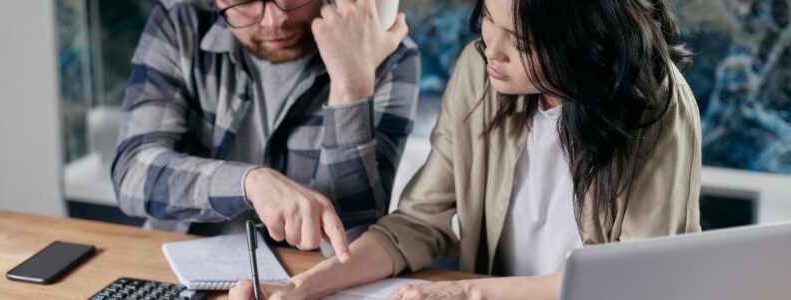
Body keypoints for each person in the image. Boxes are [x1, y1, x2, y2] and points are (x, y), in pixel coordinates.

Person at [229, 0, 702, 298]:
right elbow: (417, 222)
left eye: (517, 41)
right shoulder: (479, 71)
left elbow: (639, 279)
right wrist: (302, 288)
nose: (491, 49)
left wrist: (465, 294)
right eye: (488, 22)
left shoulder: (656, 102)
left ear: (581, 41)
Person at [111, 0, 419, 261]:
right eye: (244, 2)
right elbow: (132, 176)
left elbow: (352, 244)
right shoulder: (181, 23)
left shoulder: (389, 54)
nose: (275, 19)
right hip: (177, 261)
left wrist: (350, 87)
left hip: (309, 281)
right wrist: (250, 183)